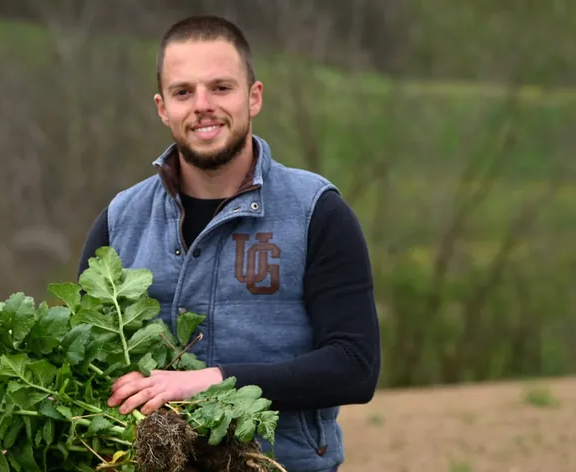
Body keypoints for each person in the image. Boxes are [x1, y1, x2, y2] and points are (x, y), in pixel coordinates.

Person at [77, 14, 381, 472]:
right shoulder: (120, 221)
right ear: (162, 107)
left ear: (253, 97)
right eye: (184, 92)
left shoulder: (317, 212)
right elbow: (81, 360)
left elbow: (355, 365)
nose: (203, 105)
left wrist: (211, 383)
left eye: (221, 87)